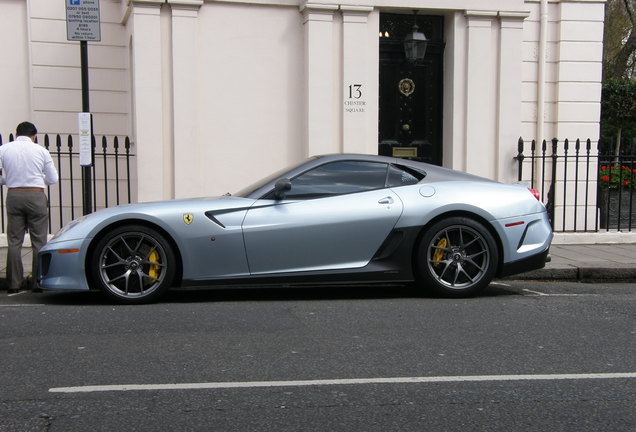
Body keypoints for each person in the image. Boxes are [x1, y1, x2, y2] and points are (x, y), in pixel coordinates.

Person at [0, 122, 58, 294]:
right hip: (36, 194)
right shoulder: (41, 151)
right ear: (34, 136)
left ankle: (14, 284)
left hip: (14, 194)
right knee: (39, 241)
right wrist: (39, 181)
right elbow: (53, 178)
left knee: (14, 241)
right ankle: (37, 282)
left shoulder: (4, 149)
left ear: (16, 133)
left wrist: (7, 180)